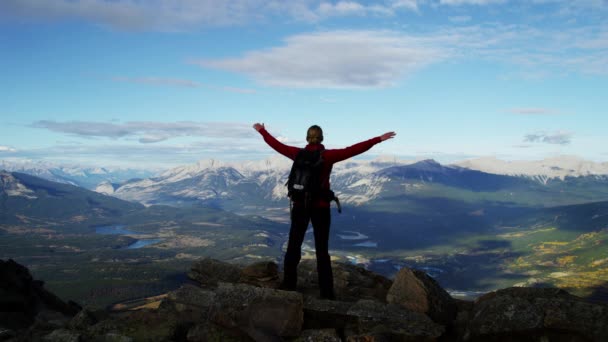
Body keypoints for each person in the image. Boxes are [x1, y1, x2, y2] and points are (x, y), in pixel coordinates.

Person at [253, 123, 396, 299]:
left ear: (307, 138)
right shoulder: (327, 156)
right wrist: (378, 139)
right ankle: (326, 293)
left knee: (293, 245)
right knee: (322, 250)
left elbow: (276, 145)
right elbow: (353, 150)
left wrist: (262, 131)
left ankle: (289, 285)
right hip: (320, 208)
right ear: (321, 138)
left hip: (299, 206)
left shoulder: (297, 153)